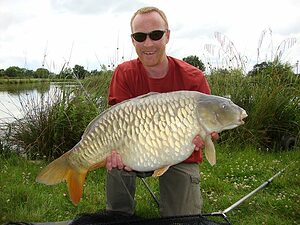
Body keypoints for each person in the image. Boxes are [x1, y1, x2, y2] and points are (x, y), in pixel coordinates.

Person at [105, 6, 218, 217]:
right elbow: (115, 125)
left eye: (156, 35)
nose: (148, 43)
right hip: (134, 151)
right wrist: (118, 154)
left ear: (167, 36)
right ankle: (118, 216)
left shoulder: (194, 78)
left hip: (179, 155)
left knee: (184, 219)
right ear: (133, 40)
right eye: (140, 36)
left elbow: (212, 131)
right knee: (115, 165)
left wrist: (209, 136)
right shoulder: (124, 73)